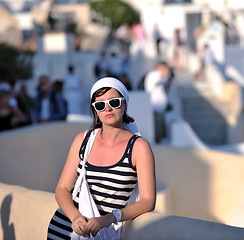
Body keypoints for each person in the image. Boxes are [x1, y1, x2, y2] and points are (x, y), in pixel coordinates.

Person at [48, 77, 156, 239]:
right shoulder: (82, 140)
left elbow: (148, 201)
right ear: (95, 110)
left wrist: (111, 217)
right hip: (64, 230)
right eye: (100, 105)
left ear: (125, 104)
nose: (108, 108)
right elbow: (62, 189)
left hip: (102, 233)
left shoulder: (139, 147)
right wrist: (75, 217)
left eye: (114, 102)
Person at [144, 62, 174, 143]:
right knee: (157, 133)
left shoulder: (159, 78)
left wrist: (170, 79)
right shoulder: (154, 74)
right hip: (155, 107)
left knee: (161, 133)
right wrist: (168, 73)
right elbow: (162, 74)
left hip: (160, 109)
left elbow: (166, 89)